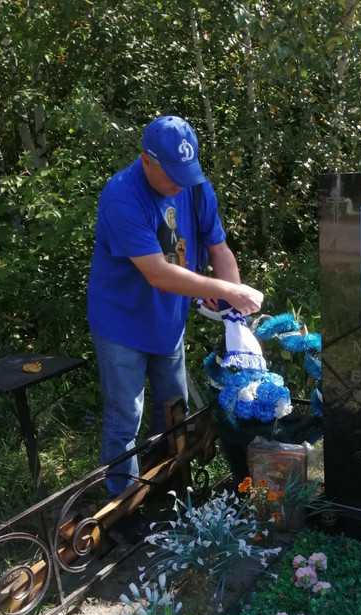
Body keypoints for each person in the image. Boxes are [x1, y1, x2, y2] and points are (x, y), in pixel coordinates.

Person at [87, 115, 263, 496]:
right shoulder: (122, 196)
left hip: (168, 323)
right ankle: (121, 502)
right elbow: (157, 273)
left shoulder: (195, 187)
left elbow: (219, 249)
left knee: (173, 409)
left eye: (187, 173)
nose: (180, 184)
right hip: (121, 324)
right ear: (146, 161)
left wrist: (234, 311)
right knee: (125, 417)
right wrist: (224, 289)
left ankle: (164, 487)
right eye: (172, 175)